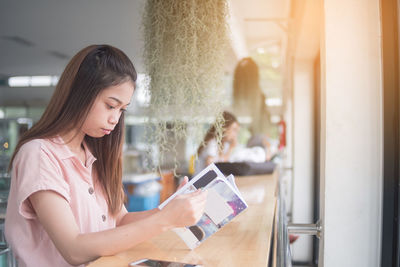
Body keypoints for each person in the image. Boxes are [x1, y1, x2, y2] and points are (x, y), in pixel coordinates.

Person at [5, 45, 208, 267]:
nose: (115, 118)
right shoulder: (39, 155)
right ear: (80, 94)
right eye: (111, 105)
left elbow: (119, 220)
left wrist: (168, 209)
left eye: (122, 110)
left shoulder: (93, 154)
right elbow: (73, 249)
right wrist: (164, 220)